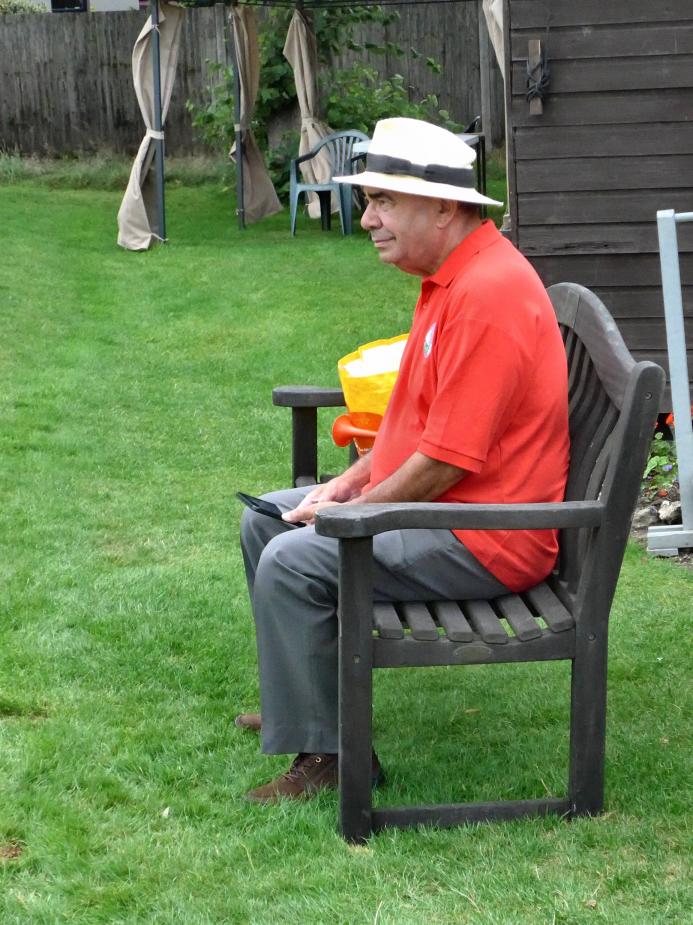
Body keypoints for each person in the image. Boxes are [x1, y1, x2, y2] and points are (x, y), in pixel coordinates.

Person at [238, 117, 570, 803]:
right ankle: (305, 706)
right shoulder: (449, 279)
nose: (367, 219)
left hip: (489, 536)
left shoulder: (487, 297)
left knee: (293, 556)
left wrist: (351, 513)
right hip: (449, 512)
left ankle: (333, 758)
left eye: (382, 201)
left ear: (443, 207)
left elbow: (445, 462)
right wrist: (341, 484)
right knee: (267, 520)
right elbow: (408, 422)